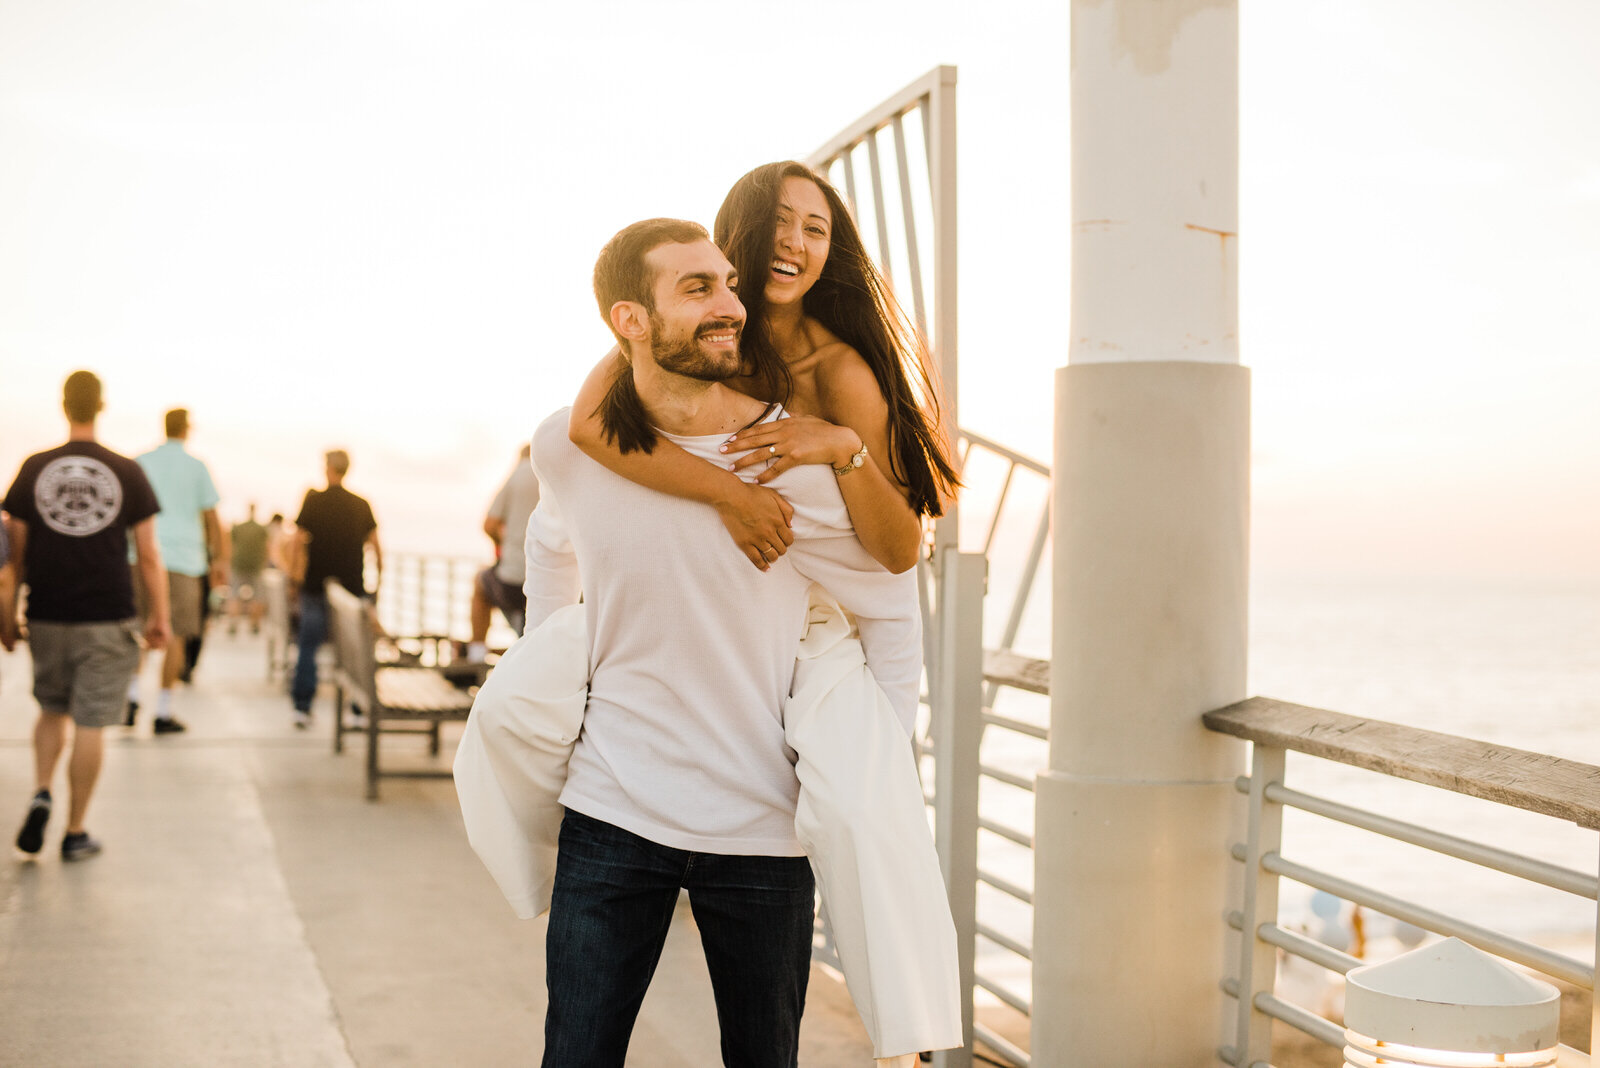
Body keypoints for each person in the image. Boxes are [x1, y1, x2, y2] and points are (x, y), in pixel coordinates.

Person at [520, 219, 948, 1067]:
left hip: (762, 827)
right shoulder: (569, 447)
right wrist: (549, 691)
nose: (730, 307)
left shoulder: (786, 459)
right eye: (697, 289)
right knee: (574, 1056)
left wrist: (877, 762)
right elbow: (547, 547)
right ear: (629, 321)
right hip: (611, 810)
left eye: (727, 285)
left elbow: (892, 600)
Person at [569, 160, 959, 574]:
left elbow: (900, 552)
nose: (795, 243)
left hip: (834, 614)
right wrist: (730, 496)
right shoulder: (697, 332)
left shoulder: (837, 372)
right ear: (739, 229)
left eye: (815, 230)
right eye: (779, 221)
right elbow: (586, 425)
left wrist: (845, 446)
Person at [5, 371, 170, 861]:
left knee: (51, 711)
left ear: (64, 405)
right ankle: (75, 831)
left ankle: (41, 790)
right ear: (101, 406)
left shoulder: (35, 467)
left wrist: (8, 614)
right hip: (106, 613)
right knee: (91, 724)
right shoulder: (126, 471)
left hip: (47, 612)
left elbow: (15, 553)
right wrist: (159, 615)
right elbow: (148, 554)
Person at [132, 408, 229, 732]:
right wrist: (220, 563)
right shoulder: (197, 467)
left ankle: (131, 698)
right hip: (185, 562)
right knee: (175, 635)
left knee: (139, 629)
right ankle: (162, 711)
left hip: (139, 556)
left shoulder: (141, 461)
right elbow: (213, 519)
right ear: (187, 430)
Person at [288, 449, 379, 728]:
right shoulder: (361, 504)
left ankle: (302, 708)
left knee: (308, 646)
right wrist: (379, 584)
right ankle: (357, 710)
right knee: (357, 651)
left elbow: (297, 542)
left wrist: (294, 578)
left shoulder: (314, 501)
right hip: (352, 586)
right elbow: (376, 545)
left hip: (316, 585)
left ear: (328, 468)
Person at [465, 444, 540, 661]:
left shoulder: (518, 474)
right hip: (556, 582)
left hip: (514, 580)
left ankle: (476, 656)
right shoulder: (557, 475)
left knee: (480, 583)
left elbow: (489, 524)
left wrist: (502, 543)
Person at [227, 503, 269, 635]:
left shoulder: (238, 528)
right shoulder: (261, 529)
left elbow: (231, 545)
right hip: (256, 565)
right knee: (258, 596)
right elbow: (267, 547)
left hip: (238, 564)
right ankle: (255, 625)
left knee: (234, 595)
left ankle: (233, 623)